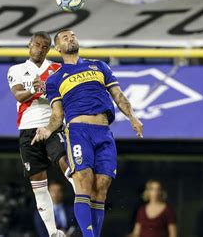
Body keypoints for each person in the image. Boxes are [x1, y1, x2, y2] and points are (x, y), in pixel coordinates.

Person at [32, 29, 144, 237]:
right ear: (58, 48)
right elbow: (58, 114)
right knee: (83, 180)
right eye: (65, 37)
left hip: (104, 132)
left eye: (73, 35)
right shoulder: (56, 79)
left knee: (101, 186)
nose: (71, 38)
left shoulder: (99, 66)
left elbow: (118, 95)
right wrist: (48, 129)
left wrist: (132, 117)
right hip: (78, 132)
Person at [7, 31, 75, 237]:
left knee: (63, 159)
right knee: (38, 185)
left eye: (44, 46)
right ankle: (53, 232)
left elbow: (67, 94)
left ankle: (81, 192)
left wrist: (50, 90)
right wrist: (36, 90)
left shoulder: (56, 68)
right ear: (29, 45)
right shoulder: (17, 69)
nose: (40, 49)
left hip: (51, 125)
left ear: (49, 49)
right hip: (27, 129)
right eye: (36, 45)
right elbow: (18, 94)